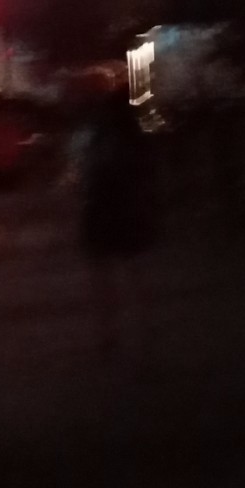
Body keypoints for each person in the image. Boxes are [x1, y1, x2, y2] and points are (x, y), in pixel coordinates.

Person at [77, 92, 159, 359]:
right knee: (136, 276)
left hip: (101, 212)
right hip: (130, 212)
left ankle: (107, 336)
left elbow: (86, 175)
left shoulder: (97, 140)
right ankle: (145, 333)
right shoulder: (137, 141)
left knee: (103, 280)